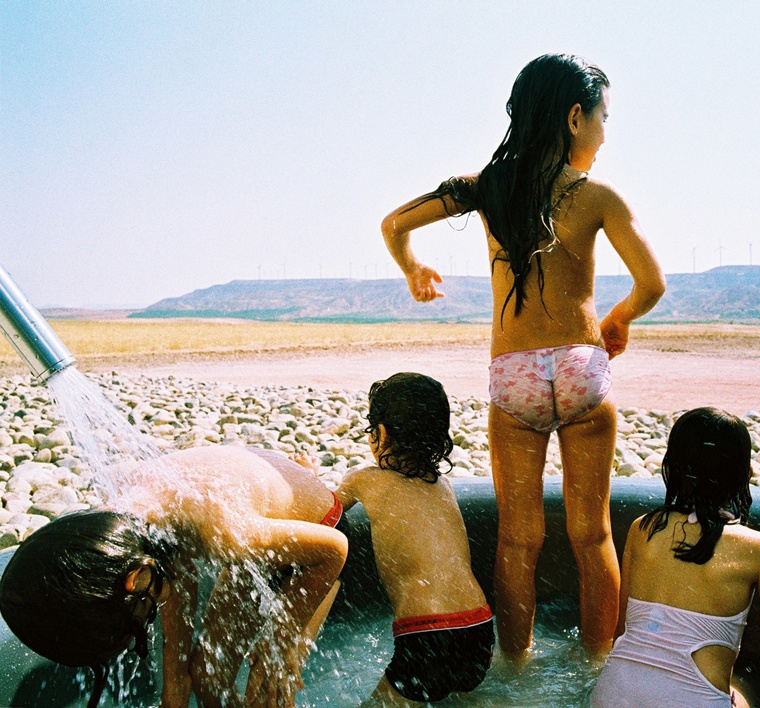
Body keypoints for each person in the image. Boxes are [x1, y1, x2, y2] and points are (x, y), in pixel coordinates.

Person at [380, 53, 666, 657]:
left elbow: (392, 223)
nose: (605, 133)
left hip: (514, 376)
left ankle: (514, 670)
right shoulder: (597, 197)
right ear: (573, 118)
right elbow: (652, 285)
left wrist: (412, 269)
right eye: (602, 118)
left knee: (516, 541)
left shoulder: (486, 189)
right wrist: (616, 319)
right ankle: (597, 668)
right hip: (581, 367)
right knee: (593, 538)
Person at [0, 445, 348, 708]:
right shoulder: (122, 526)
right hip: (255, 534)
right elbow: (174, 584)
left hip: (316, 538)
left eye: (136, 626)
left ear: (134, 580)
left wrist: (283, 640)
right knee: (207, 675)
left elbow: (335, 549)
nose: (144, 625)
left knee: (269, 681)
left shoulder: (222, 533)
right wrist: (175, 684)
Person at [591, 407, 760, 707]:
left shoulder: (642, 529)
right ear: (746, 476)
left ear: (669, 468)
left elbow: (623, 633)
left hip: (612, 695)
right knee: (742, 693)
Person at [330, 372, 494, 704]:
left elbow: (325, 512)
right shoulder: (443, 487)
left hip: (427, 634)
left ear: (381, 433)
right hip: (479, 631)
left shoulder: (364, 481)